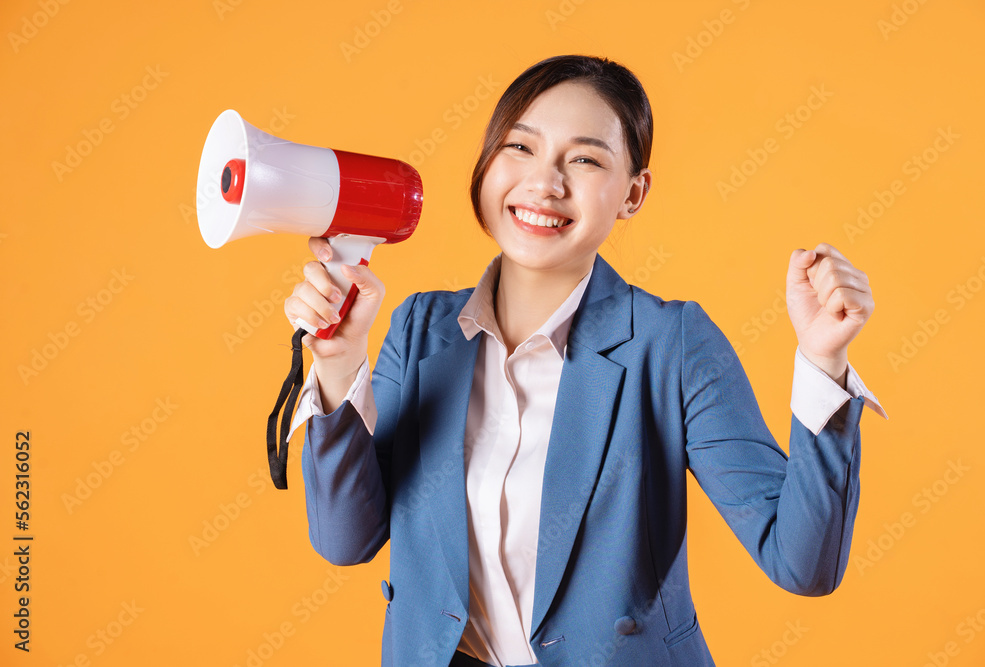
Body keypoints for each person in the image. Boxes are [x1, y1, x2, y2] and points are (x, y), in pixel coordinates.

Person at [283, 55, 887, 667]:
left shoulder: (671, 344)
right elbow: (345, 538)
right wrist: (338, 362)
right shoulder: (420, 329)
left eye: (585, 158)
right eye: (520, 147)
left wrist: (822, 362)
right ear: (487, 162)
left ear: (633, 192)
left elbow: (803, 563)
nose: (545, 183)